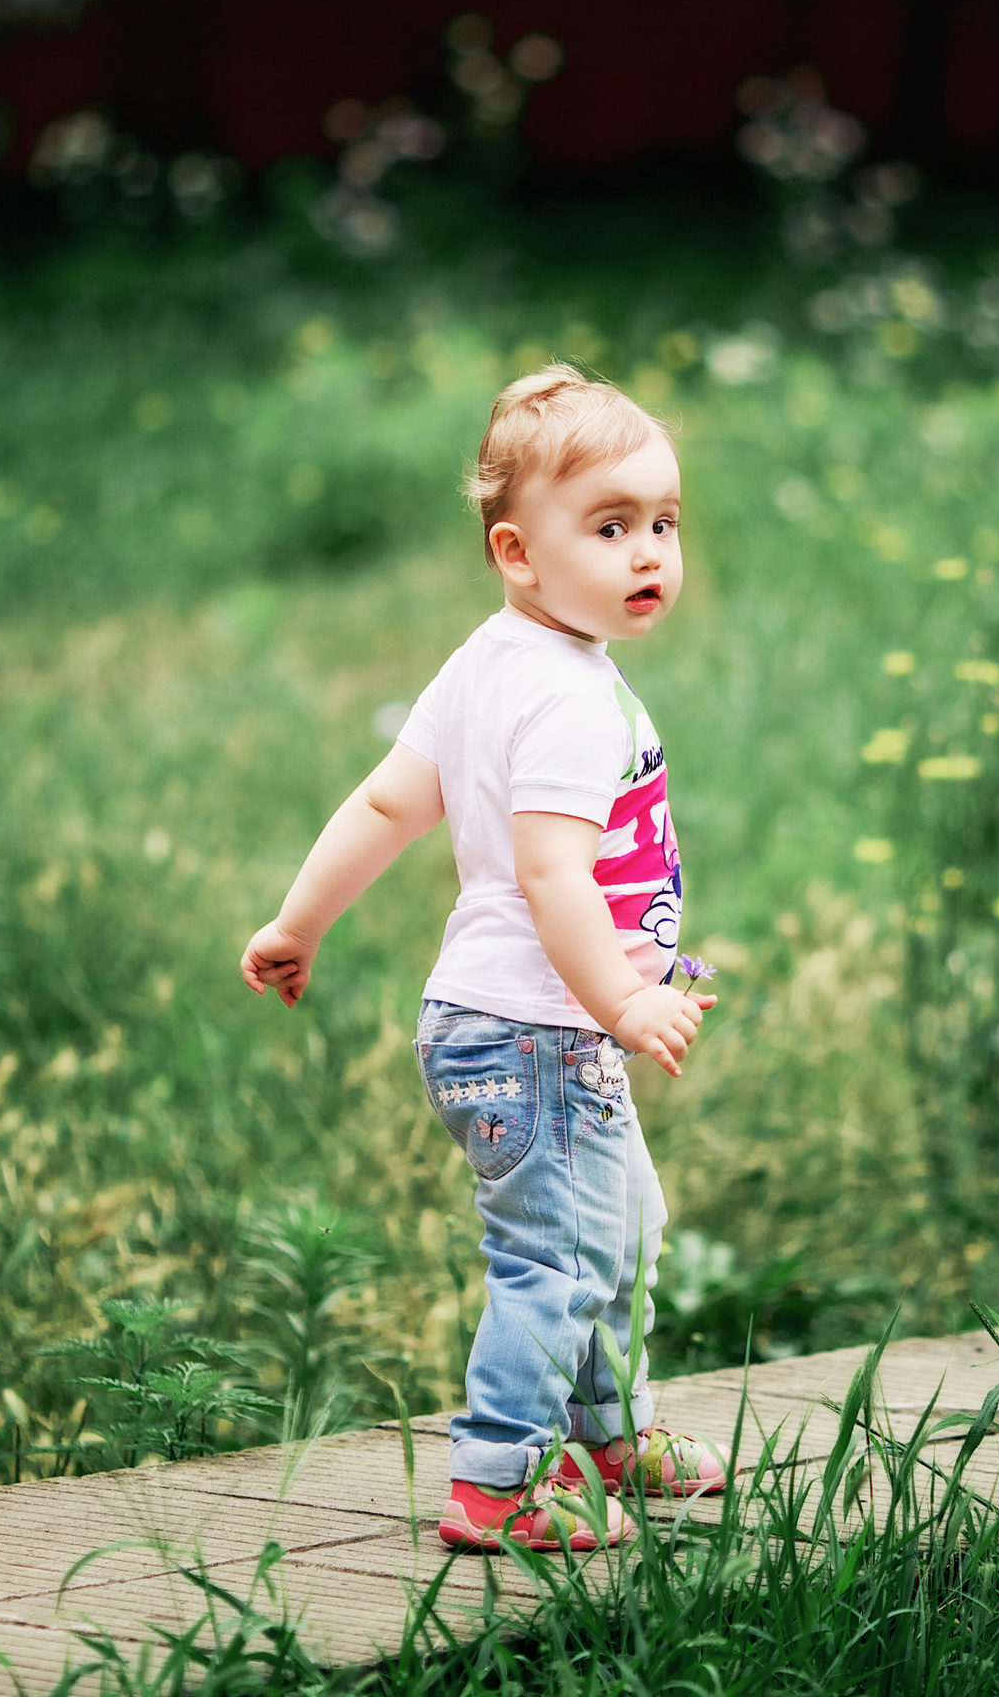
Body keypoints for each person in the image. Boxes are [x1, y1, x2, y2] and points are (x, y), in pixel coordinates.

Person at [239, 365, 725, 1552]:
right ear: (517, 553)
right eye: (609, 528)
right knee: (558, 1258)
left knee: (622, 1229)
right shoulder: (567, 700)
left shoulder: (492, 660)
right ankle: (499, 1482)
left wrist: (297, 923)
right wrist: (625, 1001)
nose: (648, 553)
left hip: (517, 1028)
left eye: (663, 523)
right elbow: (554, 876)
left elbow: (387, 804)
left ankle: (608, 1432)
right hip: (539, 1033)